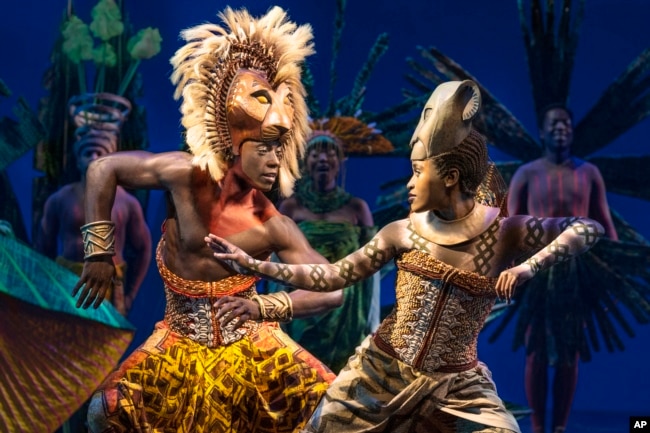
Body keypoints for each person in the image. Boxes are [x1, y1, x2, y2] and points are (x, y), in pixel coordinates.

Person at [206, 80, 605, 433]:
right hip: (379, 373)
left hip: (458, 386)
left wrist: (528, 265)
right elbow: (333, 276)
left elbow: (588, 228)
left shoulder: (504, 233)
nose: (410, 184)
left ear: (449, 176)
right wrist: (254, 268)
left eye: (418, 172)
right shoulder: (404, 231)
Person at [72, 7, 342, 432]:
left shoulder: (272, 223)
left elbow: (331, 290)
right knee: (103, 413)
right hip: (176, 349)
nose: (275, 161)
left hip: (253, 350)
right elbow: (102, 170)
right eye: (264, 148)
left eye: (279, 149)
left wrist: (262, 307)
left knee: (332, 410)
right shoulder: (185, 175)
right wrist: (99, 253)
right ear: (235, 143)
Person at [505, 104, 618, 433]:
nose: (561, 128)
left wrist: (610, 277)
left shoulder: (589, 173)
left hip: (577, 274)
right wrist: (510, 269)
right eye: (554, 124)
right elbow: (511, 226)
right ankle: (539, 426)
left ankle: (560, 427)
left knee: (569, 351)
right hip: (535, 273)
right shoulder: (527, 173)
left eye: (566, 124)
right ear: (542, 131)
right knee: (536, 351)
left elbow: (604, 222)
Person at [272, 123, 385, 373]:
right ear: (306, 160)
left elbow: (372, 268)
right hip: (302, 303)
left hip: (347, 310)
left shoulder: (357, 208)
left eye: (330, 152)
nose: (323, 158)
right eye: (315, 153)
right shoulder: (291, 207)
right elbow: (277, 263)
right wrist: (275, 312)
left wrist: (371, 320)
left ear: (340, 160)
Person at [36, 93, 152, 316]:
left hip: (110, 287)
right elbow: (44, 247)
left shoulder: (127, 202)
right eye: (89, 153)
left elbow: (144, 248)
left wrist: (130, 295)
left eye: (102, 154)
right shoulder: (60, 199)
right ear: (77, 157)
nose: (94, 159)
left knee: (107, 342)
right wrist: (47, 288)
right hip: (67, 283)